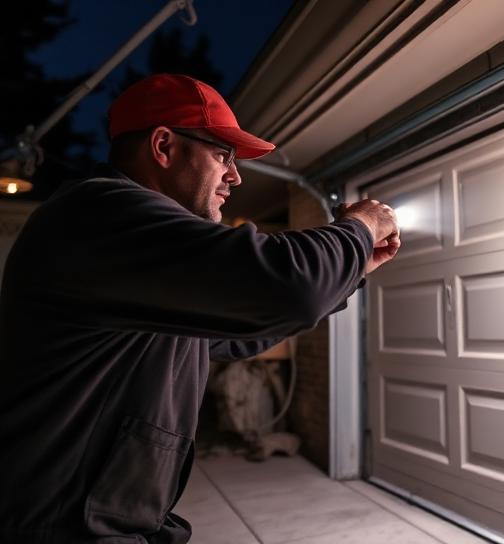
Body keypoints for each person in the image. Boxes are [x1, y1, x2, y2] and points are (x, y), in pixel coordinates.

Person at [0, 73, 400, 543]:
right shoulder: (99, 214)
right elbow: (288, 287)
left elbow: (237, 331)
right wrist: (359, 228)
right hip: (57, 527)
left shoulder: (140, 255)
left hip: (106, 518)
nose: (235, 176)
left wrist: (351, 270)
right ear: (164, 146)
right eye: (223, 155)